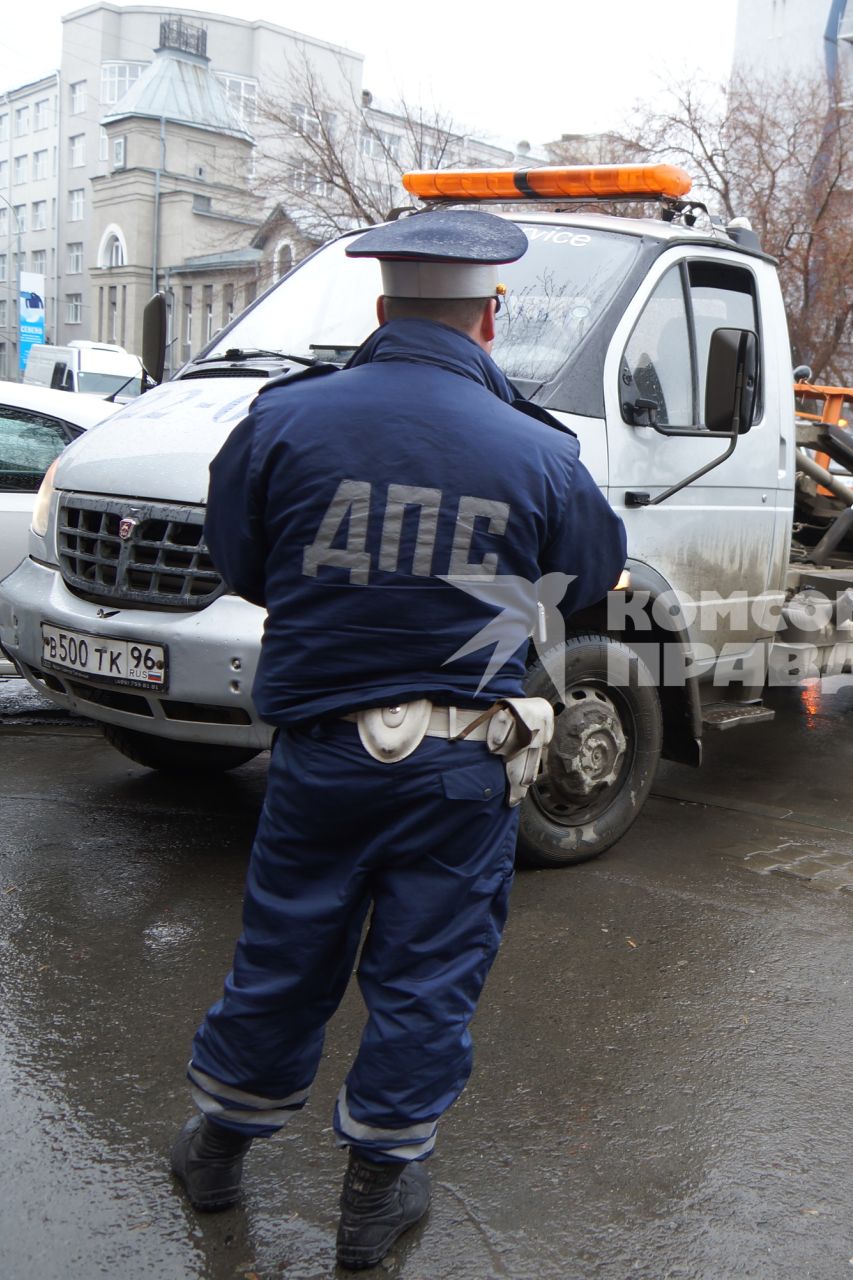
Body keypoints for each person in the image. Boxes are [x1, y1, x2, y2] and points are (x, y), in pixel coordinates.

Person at [166, 208, 627, 1271]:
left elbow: (241, 562)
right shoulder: (538, 449)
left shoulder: (284, 419)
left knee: (284, 951)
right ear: (488, 321)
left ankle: (215, 1151)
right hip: (462, 765)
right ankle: (373, 1202)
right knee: (427, 969)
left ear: (381, 310)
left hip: (321, 750)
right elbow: (592, 576)